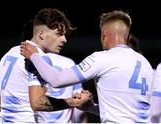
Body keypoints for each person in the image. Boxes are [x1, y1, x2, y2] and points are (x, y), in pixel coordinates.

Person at [20, 10, 154, 123]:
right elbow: (126, 113)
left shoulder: (103, 58)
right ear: (128, 36)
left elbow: (57, 80)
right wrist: (90, 107)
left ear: (104, 34)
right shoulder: (145, 64)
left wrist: (34, 55)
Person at [0, 8, 92, 123]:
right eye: (59, 34)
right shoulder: (40, 59)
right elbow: (37, 103)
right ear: (41, 34)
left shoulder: (11, 53)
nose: (64, 39)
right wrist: (75, 102)